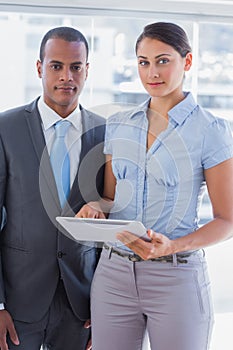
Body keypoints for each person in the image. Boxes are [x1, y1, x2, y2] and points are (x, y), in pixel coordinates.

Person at [77, 22, 233, 350]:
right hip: (113, 275)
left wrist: (171, 247)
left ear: (187, 62)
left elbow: (227, 220)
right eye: (143, 62)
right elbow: (109, 197)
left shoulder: (211, 130)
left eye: (163, 60)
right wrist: (95, 207)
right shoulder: (119, 123)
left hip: (175, 278)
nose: (152, 72)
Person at [0, 26, 105, 350]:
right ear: (39, 68)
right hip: (19, 301)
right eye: (56, 66)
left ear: (87, 70)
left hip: (81, 304)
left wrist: (104, 305)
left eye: (76, 67)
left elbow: (111, 226)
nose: (66, 77)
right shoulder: (6, 128)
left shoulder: (105, 133)